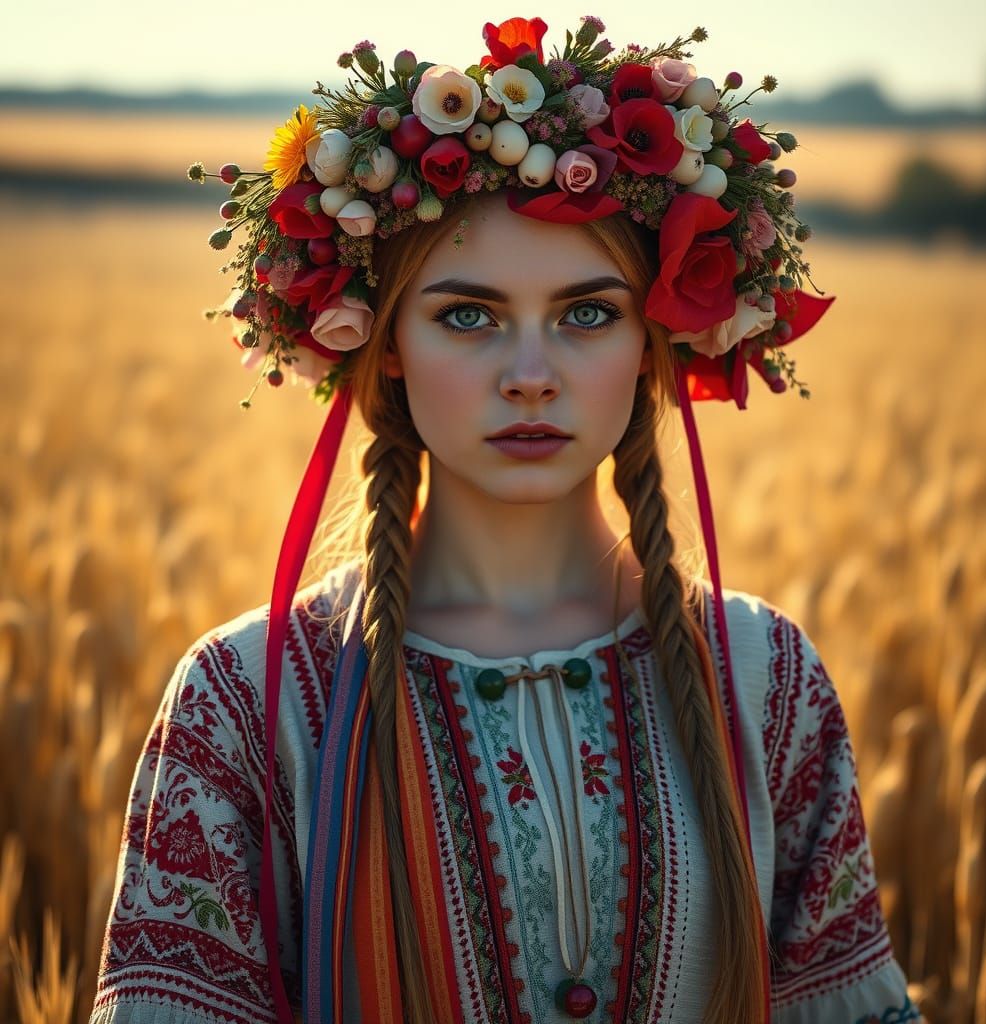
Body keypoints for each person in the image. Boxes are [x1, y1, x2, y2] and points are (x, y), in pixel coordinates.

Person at [88, 15, 922, 1024]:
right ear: (384, 342)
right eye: (467, 315)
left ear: (653, 338)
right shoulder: (246, 704)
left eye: (586, 313)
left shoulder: (765, 676)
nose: (531, 377)